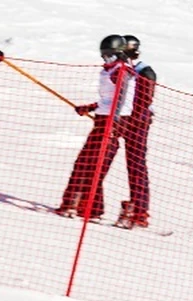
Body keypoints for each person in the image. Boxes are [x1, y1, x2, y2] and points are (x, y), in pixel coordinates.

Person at [56, 34, 135, 220]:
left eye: (110, 55)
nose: (106, 59)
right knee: (84, 163)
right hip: (103, 118)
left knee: (95, 165)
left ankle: (89, 207)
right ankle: (76, 204)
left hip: (114, 122)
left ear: (119, 53)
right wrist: (90, 108)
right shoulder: (110, 70)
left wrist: (113, 122)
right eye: (104, 55)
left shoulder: (121, 71)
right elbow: (107, 99)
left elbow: (121, 98)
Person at [116, 34, 157, 229]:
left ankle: (140, 210)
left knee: (136, 165)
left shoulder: (145, 72)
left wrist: (130, 121)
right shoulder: (125, 70)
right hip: (123, 120)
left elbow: (144, 102)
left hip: (137, 123)